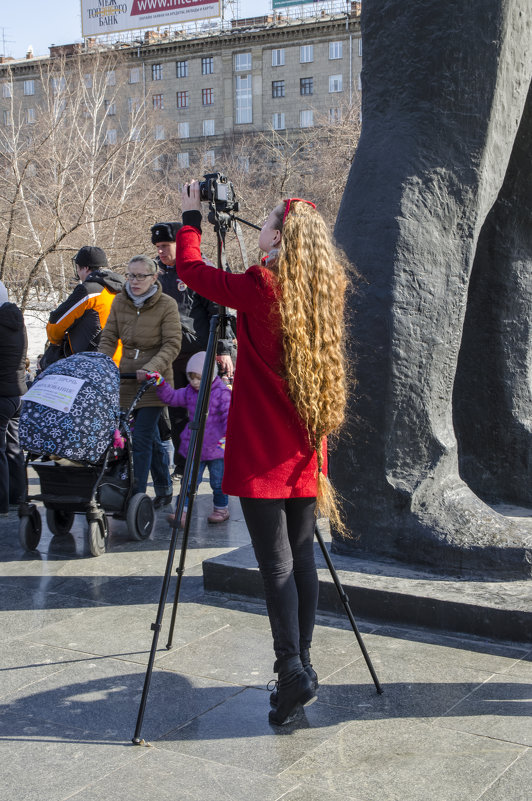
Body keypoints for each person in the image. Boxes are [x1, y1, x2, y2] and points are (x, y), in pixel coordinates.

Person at [175, 185, 348, 726]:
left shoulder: (262, 285)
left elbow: (193, 271)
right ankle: (302, 664)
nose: (262, 226)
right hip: (305, 450)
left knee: (275, 563)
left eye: (269, 221)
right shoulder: (323, 290)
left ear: (281, 236)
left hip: (262, 450)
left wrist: (190, 217)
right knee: (302, 561)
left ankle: (290, 667)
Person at [151, 222, 236, 479]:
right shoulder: (154, 273)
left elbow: (219, 310)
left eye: (166, 246)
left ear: (180, 244)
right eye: (157, 247)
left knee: (210, 411)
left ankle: (220, 462)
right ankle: (183, 461)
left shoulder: (201, 268)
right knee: (177, 412)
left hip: (200, 353)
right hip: (170, 353)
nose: (161, 252)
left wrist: (223, 348)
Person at [98, 255, 181, 508]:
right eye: (130, 275)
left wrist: (151, 368)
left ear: (154, 278)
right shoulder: (120, 301)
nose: (134, 281)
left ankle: (135, 495)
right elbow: (109, 336)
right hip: (126, 379)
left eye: (140, 276)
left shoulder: (166, 304)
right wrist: (101, 364)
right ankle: (165, 488)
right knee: (147, 437)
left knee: (141, 437)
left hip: (154, 381)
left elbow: (172, 344)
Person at [146, 350, 231, 526]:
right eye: (191, 377)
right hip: (196, 447)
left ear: (209, 375)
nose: (194, 382)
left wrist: (226, 439)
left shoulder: (222, 393)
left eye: (198, 378)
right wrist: (161, 384)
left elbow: (229, 417)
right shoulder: (189, 392)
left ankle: (221, 508)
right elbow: (172, 397)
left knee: (218, 481)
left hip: (217, 448)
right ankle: (182, 512)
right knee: (189, 481)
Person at [43, 246, 124, 369]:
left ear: (85, 268)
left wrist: (56, 342)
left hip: (92, 364)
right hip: (120, 362)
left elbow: (55, 325)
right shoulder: (121, 289)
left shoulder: (89, 290)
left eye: (78, 267)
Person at [0, 281, 27, 515]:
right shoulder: (17, 323)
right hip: (18, 393)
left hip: (1, 395)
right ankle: (19, 496)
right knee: (13, 447)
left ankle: (1, 503)